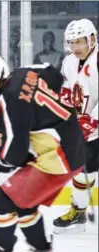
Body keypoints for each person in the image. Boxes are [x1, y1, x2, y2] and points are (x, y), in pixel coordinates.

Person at [0, 52, 85, 252]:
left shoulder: (6, 100)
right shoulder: (23, 73)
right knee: (24, 203)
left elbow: (15, 149)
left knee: (0, 202)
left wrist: (4, 159)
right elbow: (55, 76)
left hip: (58, 157)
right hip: (71, 142)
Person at [53, 19, 98, 233]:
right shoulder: (69, 61)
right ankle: (78, 212)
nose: (74, 47)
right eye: (71, 42)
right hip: (88, 127)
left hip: (93, 123)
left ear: (92, 39)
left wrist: (94, 119)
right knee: (84, 168)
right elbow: (67, 90)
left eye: (79, 42)